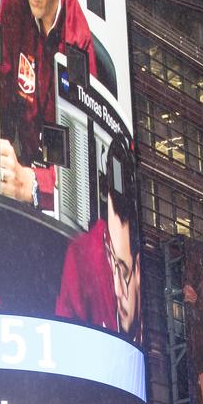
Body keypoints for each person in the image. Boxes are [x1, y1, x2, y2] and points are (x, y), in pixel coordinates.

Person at [0, 0, 97, 215]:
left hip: (55, 200)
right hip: (12, 182)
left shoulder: (77, 40)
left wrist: (34, 185)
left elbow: (81, 162)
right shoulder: (11, 2)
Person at [55, 133, 141, 342]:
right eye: (110, 254)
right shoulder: (83, 254)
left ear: (139, 270)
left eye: (122, 269)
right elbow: (65, 338)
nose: (117, 290)